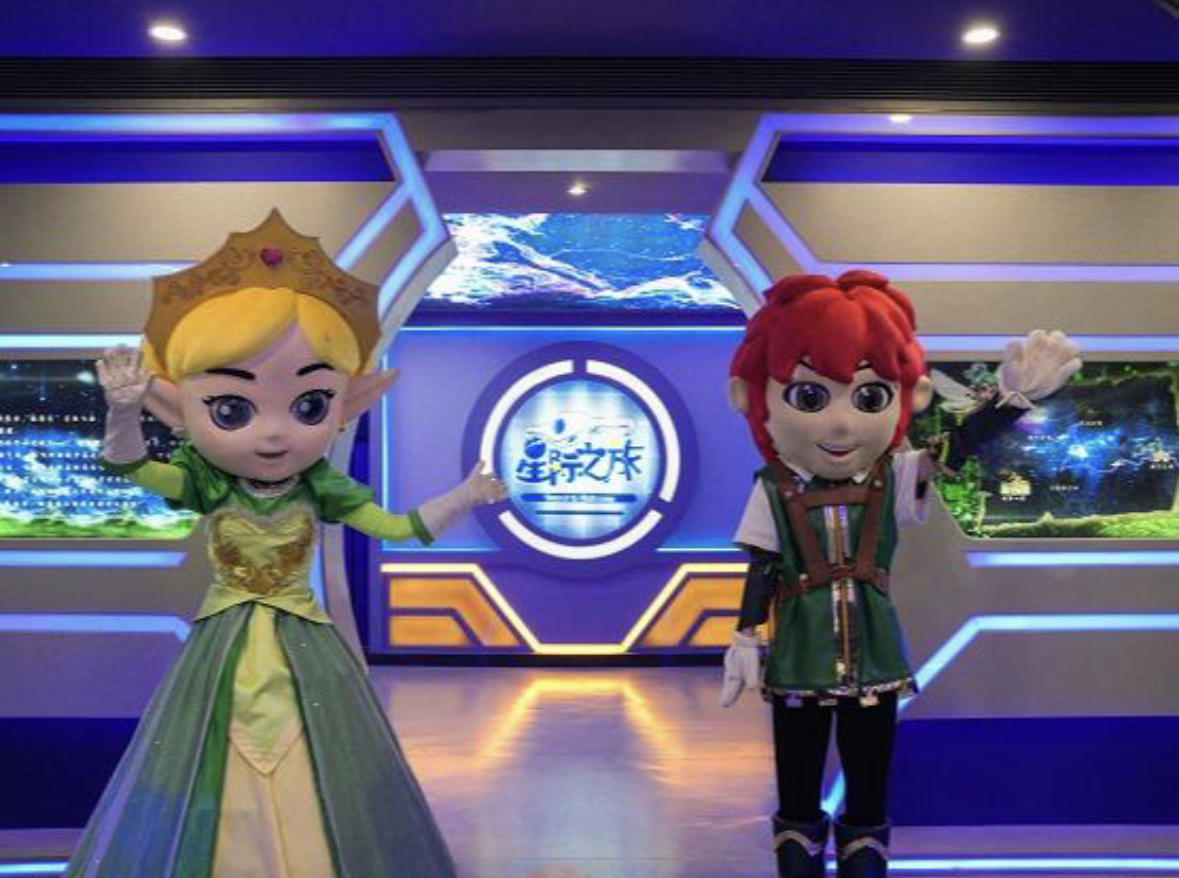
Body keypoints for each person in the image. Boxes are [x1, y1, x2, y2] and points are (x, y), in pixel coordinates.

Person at [67, 209, 505, 878]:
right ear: (183, 405)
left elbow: (399, 530)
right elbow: (133, 467)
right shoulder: (208, 480)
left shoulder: (322, 485)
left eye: (308, 405)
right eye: (232, 408)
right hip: (220, 652)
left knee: (321, 771)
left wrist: (464, 495)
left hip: (308, 652)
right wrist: (124, 412)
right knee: (211, 767)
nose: (273, 433)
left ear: (341, 405)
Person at [719, 271, 1079, 878]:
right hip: (798, 655)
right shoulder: (772, 488)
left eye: (867, 397)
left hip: (877, 656)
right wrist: (745, 634)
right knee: (797, 784)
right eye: (810, 396)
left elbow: (953, 451)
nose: (840, 425)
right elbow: (763, 565)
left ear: (906, 395)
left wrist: (1007, 404)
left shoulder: (892, 476)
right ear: (753, 397)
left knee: (869, 784)